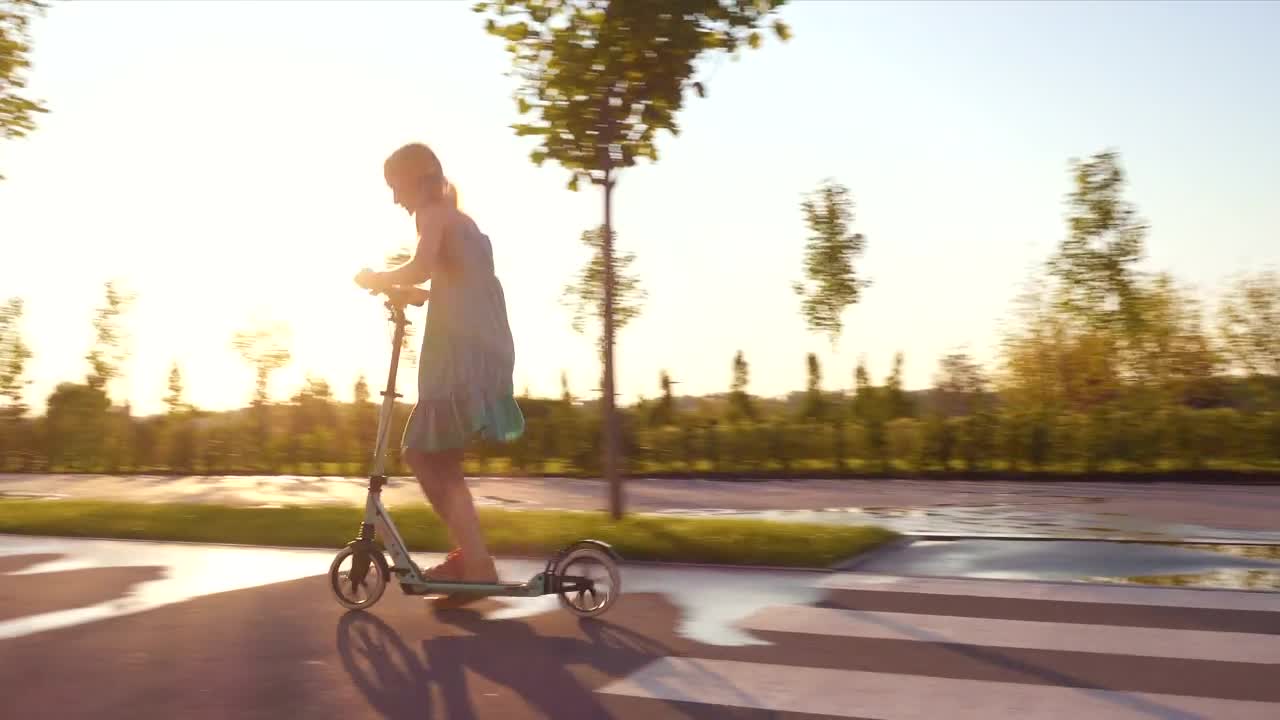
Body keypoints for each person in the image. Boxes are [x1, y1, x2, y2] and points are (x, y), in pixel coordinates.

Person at [355, 142, 524, 593]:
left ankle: (476, 561)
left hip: (459, 351)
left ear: (417, 179)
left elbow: (421, 267)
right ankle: (471, 559)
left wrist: (378, 277)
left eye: (396, 186)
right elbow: (458, 282)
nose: (395, 198)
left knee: (421, 453)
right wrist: (414, 293)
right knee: (441, 458)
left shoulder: (431, 215)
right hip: (484, 344)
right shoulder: (460, 220)